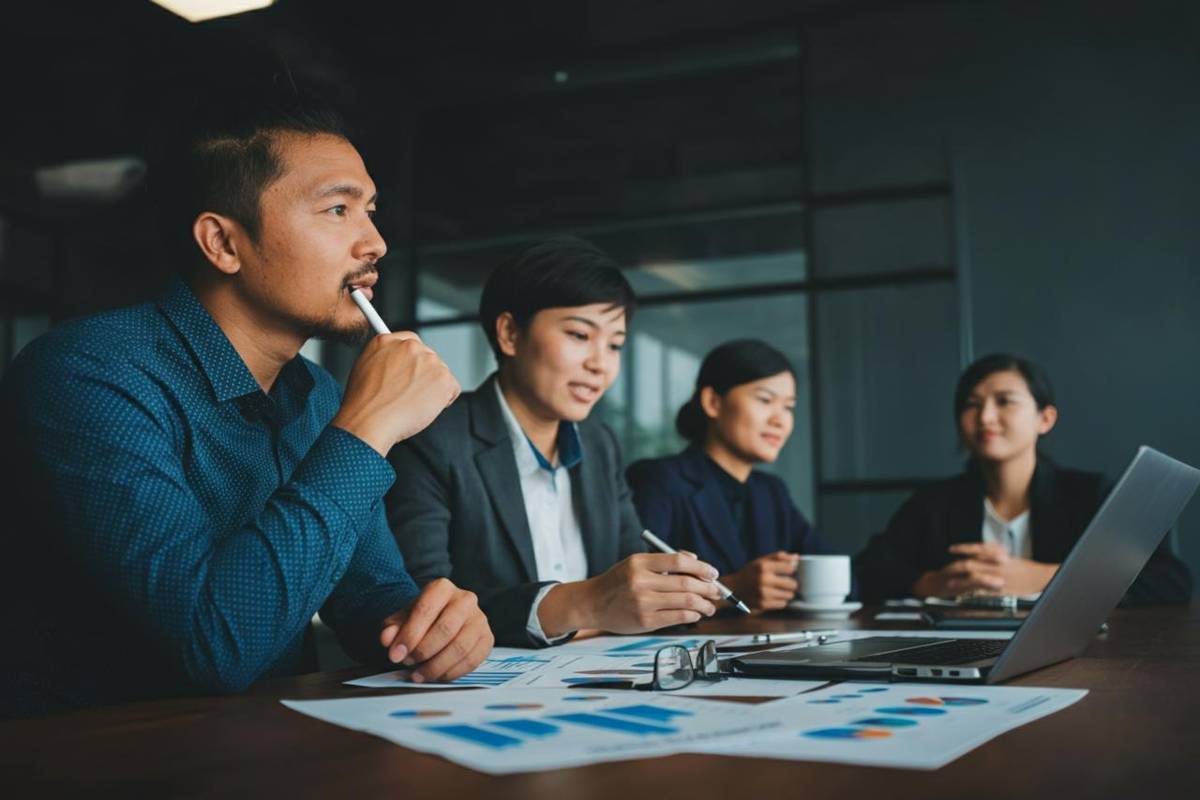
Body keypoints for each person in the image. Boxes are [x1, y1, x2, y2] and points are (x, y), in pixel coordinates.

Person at [0, 89, 493, 718]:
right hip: (93, 761)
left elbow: (371, 595)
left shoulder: (316, 398)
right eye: (339, 209)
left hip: (262, 750)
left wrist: (432, 626)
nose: (375, 243)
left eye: (370, 211)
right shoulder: (85, 375)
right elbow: (213, 645)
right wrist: (368, 428)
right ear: (223, 244)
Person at [385, 236, 725, 647]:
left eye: (615, 344)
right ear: (510, 333)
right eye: (580, 335)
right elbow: (420, 603)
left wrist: (667, 587)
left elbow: (627, 577)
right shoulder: (433, 437)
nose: (600, 363)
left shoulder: (599, 444)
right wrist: (586, 604)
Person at [854, 353, 1192, 604]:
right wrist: (930, 584)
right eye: (971, 404)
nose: (986, 416)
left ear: (1044, 419)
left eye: (1005, 402)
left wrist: (1046, 577)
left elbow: (1170, 581)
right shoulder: (933, 503)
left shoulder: (1092, 494)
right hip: (964, 652)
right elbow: (870, 569)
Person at [626, 339, 834, 612]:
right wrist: (733, 586)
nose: (780, 420)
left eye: (788, 407)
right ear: (713, 402)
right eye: (765, 400)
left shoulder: (771, 492)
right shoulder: (659, 480)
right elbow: (635, 593)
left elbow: (840, 576)